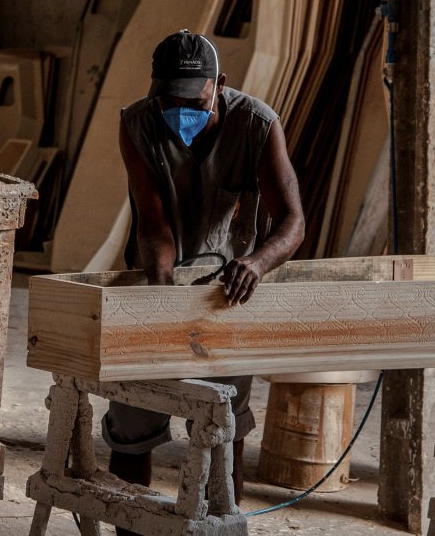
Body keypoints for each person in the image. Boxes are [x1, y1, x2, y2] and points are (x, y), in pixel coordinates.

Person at [105, 29, 306, 533]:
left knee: (222, 426)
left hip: (228, 289)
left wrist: (256, 264)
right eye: (167, 98)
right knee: (134, 420)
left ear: (220, 85)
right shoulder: (139, 124)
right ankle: (131, 525)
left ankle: (223, 523)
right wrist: (162, 297)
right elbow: (154, 227)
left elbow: (293, 221)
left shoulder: (258, 125)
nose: (178, 109)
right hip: (158, 279)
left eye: (190, 99)